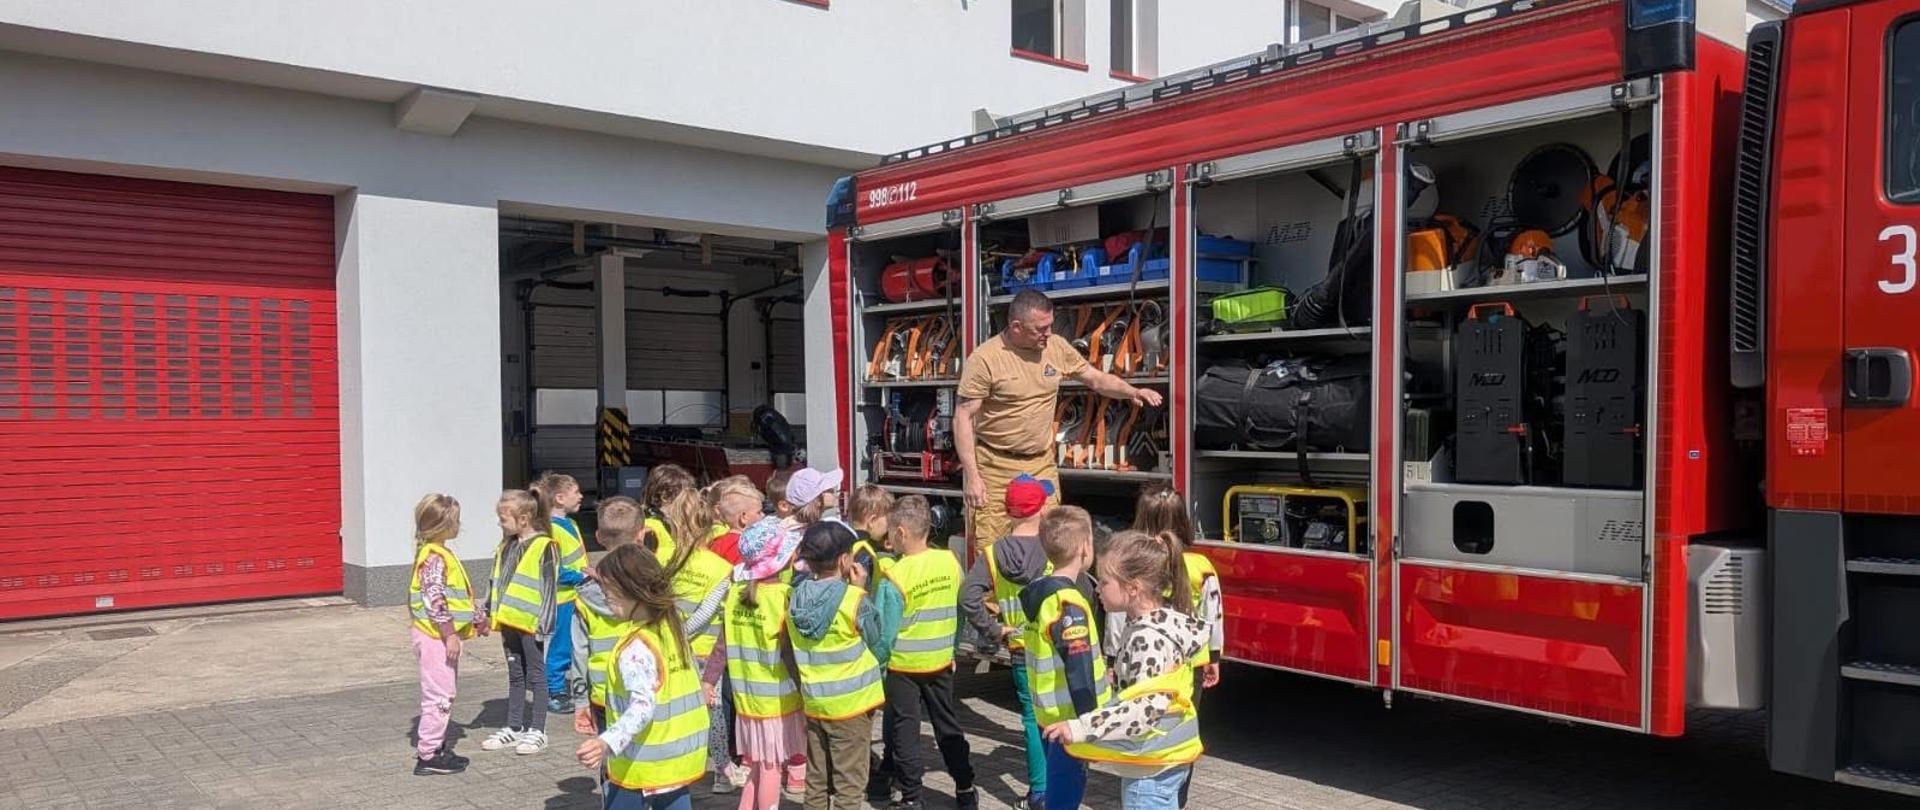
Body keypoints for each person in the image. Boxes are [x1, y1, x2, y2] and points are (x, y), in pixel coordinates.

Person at [955, 289, 1164, 552]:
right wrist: (972, 476)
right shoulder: (986, 359)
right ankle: (993, 595)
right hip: (995, 466)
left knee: (1052, 537)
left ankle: (1046, 591)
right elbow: (963, 417)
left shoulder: (1055, 347)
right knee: (994, 545)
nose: (1048, 334)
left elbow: (1095, 378)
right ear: (1016, 326)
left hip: (1041, 462)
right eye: (1040, 329)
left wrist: (1133, 391)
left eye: (1051, 325)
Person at [1042, 531, 1207, 810]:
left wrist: (1080, 728)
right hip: (1165, 761)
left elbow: (1143, 710)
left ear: (1133, 588)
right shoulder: (1163, 622)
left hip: (1149, 773)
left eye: (1104, 582)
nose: (1097, 589)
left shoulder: (1147, 638)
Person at [574, 544, 709, 810]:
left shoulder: (636, 647)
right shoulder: (671, 625)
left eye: (609, 593)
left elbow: (642, 706)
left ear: (633, 592)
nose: (605, 599)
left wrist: (606, 742)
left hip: (643, 764)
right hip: (677, 760)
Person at [869, 496, 977, 810]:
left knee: (906, 731)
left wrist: (878, 666)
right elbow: (960, 613)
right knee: (948, 727)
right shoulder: (950, 562)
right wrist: (952, 649)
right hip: (941, 661)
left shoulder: (895, 576)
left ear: (901, 533)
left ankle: (912, 797)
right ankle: (966, 789)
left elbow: (884, 633)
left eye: (891, 532)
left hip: (904, 667)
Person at [958, 475, 1055, 808]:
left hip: (1019, 647)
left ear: (1007, 511)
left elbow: (968, 597)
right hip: (1054, 646)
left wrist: (994, 629)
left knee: (1031, 718)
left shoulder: (992, 553)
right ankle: (1063, 784)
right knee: (1059, 716)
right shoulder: (1053, 548)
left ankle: (1039, 792)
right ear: (1042, 509)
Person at [1128, 484, 1223, 809]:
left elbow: (1117, 621)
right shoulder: (1200, 565)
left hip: (1145, 665)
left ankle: (1145, 790)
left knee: (1145, 729)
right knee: (1182, 731)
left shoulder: (1134, 564)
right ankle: (1174, 797)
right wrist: (1213, 657)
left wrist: (1114, 657)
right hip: (1189, 668)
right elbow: (1214, 615)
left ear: (1141, 519)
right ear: (1184, 520)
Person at [704, 517, 807, 810]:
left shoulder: (735, 594)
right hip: (777, 701)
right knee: (772, 767)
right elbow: (790, 653)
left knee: (757, 768)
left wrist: (708, 681)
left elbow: (721, 646)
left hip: (746, 700)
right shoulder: (784, 596)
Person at [787, 522, 887, 810]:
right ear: (845, 560)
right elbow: (874, 633)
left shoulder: (793, 599)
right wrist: (860, 589)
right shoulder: (852, 599)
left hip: (816, 702)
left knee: (817, 779)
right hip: (851, 706)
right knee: (849, 784)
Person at [1020, 506, 1114, 810]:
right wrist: (1090, 723)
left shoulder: (1040, 592)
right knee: (1065, 795)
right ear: (1085, 547)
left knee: (1059, 786)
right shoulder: (1068, 604)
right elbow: (1079, 668)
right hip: (1071, 717)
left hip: (1048, 713)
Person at [663, 485, 747, 795]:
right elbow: (715, 613)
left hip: (675, 648)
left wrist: (675, 636)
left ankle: (677, 768)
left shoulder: (668, 560)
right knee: (714, 714)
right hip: (708, 652)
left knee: (679, 712)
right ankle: (722, 772)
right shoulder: (721, 568)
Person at [482, 487, 561, 756]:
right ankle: (514, 727)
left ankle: (538, 729)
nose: (499, 523)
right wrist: (487, 612)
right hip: (509, 623)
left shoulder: (545, 546)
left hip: (532, 625)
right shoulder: (506, 545)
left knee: (537, 675)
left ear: (524, 518)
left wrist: (545, 625)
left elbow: (550, 589)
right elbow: (496, 582)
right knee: (516, 674)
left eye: (504, 518)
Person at [408, 493, 481, 776]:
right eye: (456, 520)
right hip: (435, 636)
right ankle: (428, 755)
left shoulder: (436, 553)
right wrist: (449, 633)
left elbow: (455, 597)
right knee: (440, 695)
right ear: (443, 525)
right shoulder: (435, 558)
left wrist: (477, 619)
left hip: (435, 634)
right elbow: (435, 598)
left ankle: (435, 747)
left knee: (442, 692)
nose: (459, 525)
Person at [573, 496, 645, 736]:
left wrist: (580, 701)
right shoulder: (651, 586)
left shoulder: (584, 596)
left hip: (603, 691)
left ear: (599, 538)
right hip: (645, 686)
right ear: (641, 534)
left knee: (609, 753)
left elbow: (579, 653)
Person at [537, 472, 591, 715]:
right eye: (576, 492)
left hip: (575, 596)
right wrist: (583, 576)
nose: (581, 496)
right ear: (559, 498)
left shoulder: (571, 524)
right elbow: (554, 569)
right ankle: (554, 690)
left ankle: (566, 685)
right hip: (561, 600)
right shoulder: (550, 529)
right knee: (560, 646)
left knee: (572, 644)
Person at [640, 463, 700, 566]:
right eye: (685, 496)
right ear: (665, 496)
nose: (689, 501)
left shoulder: (669, 522)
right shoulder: (650, 528)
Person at [845, 484, 896, 591]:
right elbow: (864, 593)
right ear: (872, 521)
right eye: (888, 520)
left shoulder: (844, 542)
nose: (889, 525)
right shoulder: (864, 554)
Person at [709, 477, 768, 565]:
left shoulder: (716, 543)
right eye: (758, 512)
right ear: (743, 517)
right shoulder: (744, 547)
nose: (763, 515)